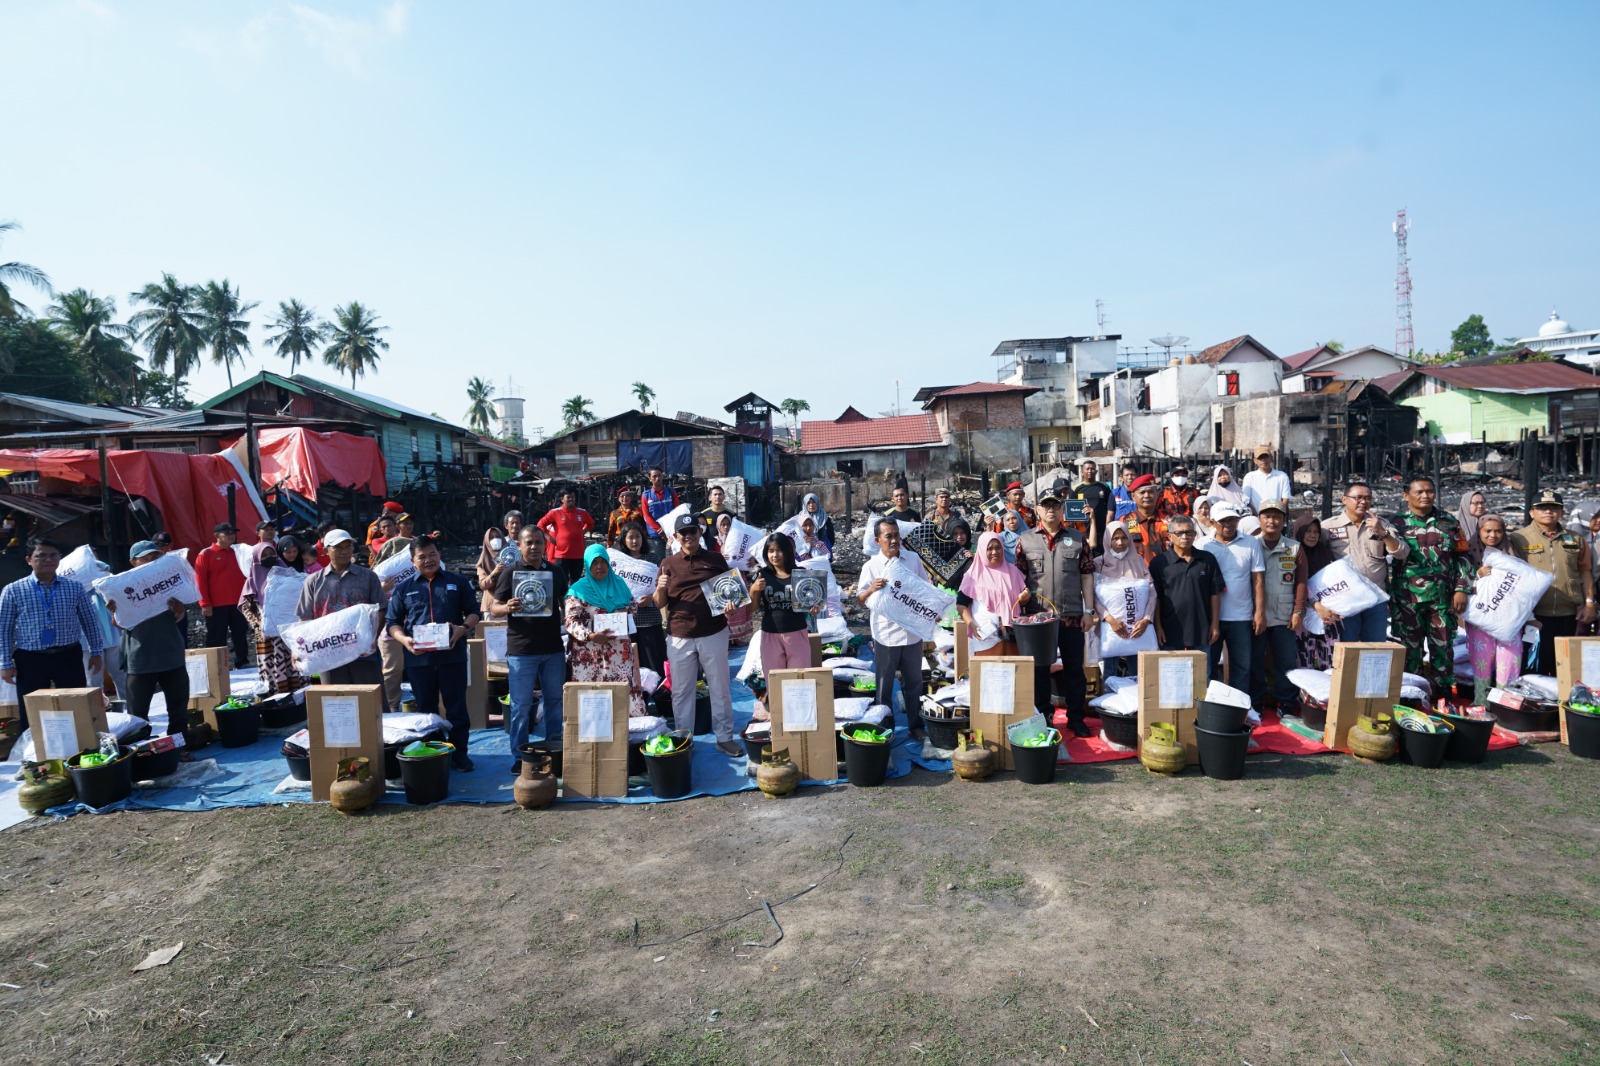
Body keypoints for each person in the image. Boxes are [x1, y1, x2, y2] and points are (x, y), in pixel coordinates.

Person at [386, 535, 480, 771]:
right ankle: (433, 754)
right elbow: (392, 623)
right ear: (412, 561)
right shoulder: (403, 589)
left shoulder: (458, 582)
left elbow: (474, 612)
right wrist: (404, 640)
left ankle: (460, 753)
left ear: (439, 555)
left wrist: (463, 628)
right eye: (422, 556)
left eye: (432, 554)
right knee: (426, 710)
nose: (428, 560)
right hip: (419, 661)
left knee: (456, 707)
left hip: (452, 656)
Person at [654, 513, 742, 755]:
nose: (688, 536)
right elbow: (659, 602)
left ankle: (725, 737)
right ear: (676, 536)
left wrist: (731, 604)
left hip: (713, 632)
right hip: (679, 635)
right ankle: (684, 741)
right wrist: (660, 588)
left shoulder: (715, 559)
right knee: (682, 692)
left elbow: (730, 592)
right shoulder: (668, 564)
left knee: (720, 687)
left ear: (700, 532)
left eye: (693, 530)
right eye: (683, 532)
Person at [1014, 487, 1096, 735]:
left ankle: (1076, 718)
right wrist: (1021, 600)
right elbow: (1018, 577)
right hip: (1038, 618)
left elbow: (1086, 576)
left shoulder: (1078, 538)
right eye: (1046, 506)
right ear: (1037, 510)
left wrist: (1088, 610)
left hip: (1071, 615)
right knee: (1039, 671)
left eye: (1055, 506)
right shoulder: (1025, 540)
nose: (1051, 510)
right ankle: (1044, 717)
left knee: (1074, 670)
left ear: (1062, 510)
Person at [0, 537, 104, 728]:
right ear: (29, 560)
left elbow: (90, 621)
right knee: (32, 712)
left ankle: (78, 744)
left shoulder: (74, 587)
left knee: (76, 708)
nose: (48, 560)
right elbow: (4, 630)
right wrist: (5, 663)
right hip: (30, 659)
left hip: (68, 656)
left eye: (53, 555)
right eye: (41, 556)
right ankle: (33, 746)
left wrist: (96, 652)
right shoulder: (13, 590)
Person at [104, 541, 192, 754]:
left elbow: (179, 617)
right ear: (133, 562)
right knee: (138, 715)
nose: (152, 562)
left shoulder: (167, 582)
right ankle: (141, 753)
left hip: (171, 655)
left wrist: (180, 610)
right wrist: (114, 611)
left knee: (178, 710)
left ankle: (179, 750)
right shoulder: (121, 587)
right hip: (140, 659)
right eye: (146, 558)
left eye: (156, 557)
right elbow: (119, 624)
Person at [1389, 475, 1471, 694]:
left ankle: (1443, 698)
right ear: (1406, 496)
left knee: (1443, 649)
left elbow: (1462, 557)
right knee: (1410, 652)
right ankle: (1413, 697)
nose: (1425, 495)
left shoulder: (1449, 521)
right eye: (1419, 492)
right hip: (1408, 600)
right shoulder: (1395, 523)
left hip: (1442, 599)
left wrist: (1461, 588)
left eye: (1430, 491)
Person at [858, 518, 934, 740]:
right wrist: (871, 589)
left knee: (914, 682)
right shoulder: (871, 566)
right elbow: (860, 599)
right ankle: (885, 727)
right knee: (884, 685)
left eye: (896, 535)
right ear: (877, 540)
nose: (894, 540)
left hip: (912, 632)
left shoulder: (912, 559)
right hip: (886, 633)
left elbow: (925, 589)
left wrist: (933, 609)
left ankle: (915, 726)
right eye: (888, 536)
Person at [295, 529, 388, 706]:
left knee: (372, 703)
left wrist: (372, 639)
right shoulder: (313, 581)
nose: (345, 551)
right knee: (336, 705)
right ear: (325, 551)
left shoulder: (368, 576)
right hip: (328, 654)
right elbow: (305, 619)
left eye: (348, 546)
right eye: (338, 547)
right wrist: (298, 649)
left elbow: (381, 610)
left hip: (363, 653)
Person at [1509, 489, 1596, 677]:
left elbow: (1585, 572)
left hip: (1569, 615)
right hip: (1534, 615)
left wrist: (1589, 603)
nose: (1548, 511)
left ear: (1562, 512)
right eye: (1542, 508)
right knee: (1534, 669)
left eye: (1554, 508)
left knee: (1566, 669)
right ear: (1531, 512)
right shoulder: (1518, 538)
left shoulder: (1575, 539)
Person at [564, 541, 648, 720]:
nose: (600, 567)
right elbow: (571, 621)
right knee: (592, 699)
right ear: (587, 565)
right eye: (594, 563)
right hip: (589, 654)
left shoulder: (619, 584)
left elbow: (633, 608)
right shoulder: (578, 590)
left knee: (621, 694)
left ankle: (626, 733)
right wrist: (590, 635)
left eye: (603, 562)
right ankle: (594, 734)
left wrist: (623, 612)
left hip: (618, 653)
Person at [1322, 481, 1408, 642]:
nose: (1363, 502)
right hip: (1345, 600)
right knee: (1347, 647)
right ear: (1344, 499)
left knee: (1375, 647)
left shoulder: (1381, 524)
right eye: (1358, 498)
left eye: (1368, 498)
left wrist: (1383, 533)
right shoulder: (1328, 527)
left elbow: (1402, 553)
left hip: (1375, 599)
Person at [1250, 500, 1305, 712]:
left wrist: (1298, 611)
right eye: (1267, 516)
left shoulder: (1294, 547)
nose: (1271, 521)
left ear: (1284, 521)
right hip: (1256, 616)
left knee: (1286, 662)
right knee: (1254, 661)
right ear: (1259, 519)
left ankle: (1287, 703)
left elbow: (1301, 582)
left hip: (1284, 614)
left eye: (1277, 517)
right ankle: (1255, 702)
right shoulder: (1251, 545)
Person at [1203, 503, 1265, 686]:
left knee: (1242, 666)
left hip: (1241, 616)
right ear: (1212, 522)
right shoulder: (1203, 544)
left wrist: (1259, 612)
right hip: (1211, 617)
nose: (1228, 524)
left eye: (1232, 519)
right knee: (1208, 666)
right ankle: (1211, 702)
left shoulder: (1251, 542)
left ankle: (1240, 702)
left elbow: (1258, 580)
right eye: (1223, 521)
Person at [1467, 515, 1524, 703]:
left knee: (1509, 660)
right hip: (1480, 618)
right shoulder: (1468, 553)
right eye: (1488, 531)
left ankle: (1504, 704)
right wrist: (1477, 575)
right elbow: (1458, 582)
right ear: (1479, 531)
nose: (1493, 535)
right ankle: (1481, 702)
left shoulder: (1512, 554)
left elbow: (1524, 587)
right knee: (1481, 661)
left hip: (1508, 618)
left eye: (1498, 531)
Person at [1151, 515, 1222, 663]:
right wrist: (1158, 627)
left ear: (1195, 535)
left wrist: (1215, 624)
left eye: (1189, 532)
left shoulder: (1207, 559)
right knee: (1171, 674)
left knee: (1201, 675)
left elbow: (1214, 593)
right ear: (1170, 536)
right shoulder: (1159, 562)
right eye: (1179, 533)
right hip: (1169, 631)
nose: (1185, 537)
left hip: (1201, 630)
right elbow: (1156, 598)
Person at [238, 541, 304, 695]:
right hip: (266, 633)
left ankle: (299, 696)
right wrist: (258, 622)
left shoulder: (287, 574)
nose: (269, 557)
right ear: (256, 558)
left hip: (289, 629)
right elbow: (245, 607)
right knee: (273, 664)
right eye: (264, 555)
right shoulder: (252, 580)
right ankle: (277, 696)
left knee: (295, 663)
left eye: (271, 554)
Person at [1092, 520, 1155, 678]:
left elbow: (1151, 591)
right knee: (1110, 672)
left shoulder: (1138, 561)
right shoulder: (1099, 563)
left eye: (1124, 537)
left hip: (1137, 628)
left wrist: (1146, 619)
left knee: (1138, 673)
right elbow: (1092, 594)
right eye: (1115, 538)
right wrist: (1109, 619)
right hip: (1111, 628)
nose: (1120, 542)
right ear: (1108, 540)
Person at [750, 532, 818, 676]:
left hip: (797, 633)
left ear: (787, 551)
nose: (775, 555)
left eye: (779, 550)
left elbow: (811, 604)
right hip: (770, 634)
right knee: (775, 680)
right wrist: (754, 590)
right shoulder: (762, 575)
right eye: (771, 551)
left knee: (799, 679)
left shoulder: (801, 573)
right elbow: (752, 608)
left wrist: (813, 608)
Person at [957, 531, 1027, 659]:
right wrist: (971, 625)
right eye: (989, 549)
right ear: (981, 550)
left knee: (1013, 670)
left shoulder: (1013, 572)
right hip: (986, 637)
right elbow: (961, 604)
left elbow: (1021, 601)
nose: (994, 552)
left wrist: (1025, 597)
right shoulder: (972, 575)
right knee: (988, 670)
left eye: (998, 547)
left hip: (1012, 637)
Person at [195, 522, 251, 668]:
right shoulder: (206, 554)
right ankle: (216, 666)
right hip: (216, 604)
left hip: (238, 602)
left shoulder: (238, 552)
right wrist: (204, 604)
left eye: (232, 533)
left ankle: (242, 661)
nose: (231, 536)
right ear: (216, 536)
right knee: (216, 636)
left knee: (240, 633)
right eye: (227, 533)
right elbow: (200, 581)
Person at [1291, 515, 1343, 671]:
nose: (1312, 535)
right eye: (1308, 531)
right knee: (1303, 660)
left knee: (1330, 661)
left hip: (1329, 614)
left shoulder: (1326, 554)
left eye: (1316, 532)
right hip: (1302, 614)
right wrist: (1316, 605)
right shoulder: (1291, 554)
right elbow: (1296, 583)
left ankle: (1328, 687)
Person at [615, 522, 667, 679]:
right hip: (625, 621)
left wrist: (651, 597)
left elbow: (662, 586)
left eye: (637, 537)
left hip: (650, 619)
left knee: (654, 664)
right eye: (630, 537)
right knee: (629, 663)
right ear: (623, 540)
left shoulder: (653, 559)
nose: (634, 541)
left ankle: (657, 691)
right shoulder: (618, 561)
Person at [713, 513, 756, 645]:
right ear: (718, 526)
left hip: (738, 576)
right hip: (721, 579)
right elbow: (709, 557)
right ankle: (725, 641)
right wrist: (719, 557)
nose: (726, 527)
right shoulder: (715, 541)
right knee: (724, 608)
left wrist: (752, 559)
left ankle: (736, 639)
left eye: (728, 524)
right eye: (723, 524)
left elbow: (748, 552)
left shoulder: (738, 538)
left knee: (739, 607)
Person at [539, 490, 594, 582]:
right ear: (562, 499)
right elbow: (540, 524)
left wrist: (582, 532)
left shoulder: (582, 512)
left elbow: (591, 524)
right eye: (568, 497)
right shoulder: (555, 512)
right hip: (561, 554)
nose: (571, 499)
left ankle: (573, 592)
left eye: (573, 497)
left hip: (578, 554)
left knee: (576, 581)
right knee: (561, 580)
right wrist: (549, 538)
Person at [1123, 476, 1170, 567]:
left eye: (1151, 492)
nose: (1147, 496)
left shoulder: (1170, 519)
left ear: (1157, 494)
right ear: (1133, 496)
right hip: (1137, 571)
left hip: (1167, 570)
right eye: (1142, 492)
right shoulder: (1124, 521)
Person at [1071, 459, 1113, 552]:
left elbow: (1110, 508)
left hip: (1100, 530)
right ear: (1082, 472)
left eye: (1092, 469)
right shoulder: (1075, 489)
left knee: (1100, 555)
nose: (1090, 471)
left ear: (1096, 471)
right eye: (1087, 469)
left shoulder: (1104, 487)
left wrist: (1107, 525)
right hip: (1082, 530)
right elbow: (1070, 510)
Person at [640, 468, 680, 558]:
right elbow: (647, 516)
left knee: (676, 558)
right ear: (650, 478)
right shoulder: (646, 495)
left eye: (659, 475)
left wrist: (668, 528)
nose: (657, 478)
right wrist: (659, 529)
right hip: (656, 535)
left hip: (672, 532)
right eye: (654, 476)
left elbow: (677, 510)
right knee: (660, 560)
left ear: (662, 476)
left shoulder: (671, 492)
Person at [1242, 448, 1292, 513]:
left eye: (1265, 457)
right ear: (1255, 460)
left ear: (1271, 458)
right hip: (1256, 515)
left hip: (1276, 514)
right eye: (1260, 458)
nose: (1263, 460)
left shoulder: (1282, 476)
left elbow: (1285, 498)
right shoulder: (1250, 477)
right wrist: (1257, 515)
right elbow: (1246, 500)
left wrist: (1279, 514)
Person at [475, 523, 512, 593]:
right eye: (491, 538)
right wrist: (494, 572)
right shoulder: (483, 561)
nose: (495, 540)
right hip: (492, 597)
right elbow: (483, 585)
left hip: (510, 596)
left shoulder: (511, 555)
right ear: (487, 541)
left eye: (498, 537)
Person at [1455, 490, 1487, 562]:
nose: (1480, 506)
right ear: (1466, 504)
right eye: (1476, 503)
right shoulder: (1456, 526)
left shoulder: (1490, 522)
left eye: (1482, 502)